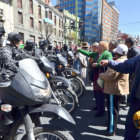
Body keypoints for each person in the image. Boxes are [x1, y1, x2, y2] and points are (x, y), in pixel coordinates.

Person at [100, 53, 140, 140]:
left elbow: (111, 76)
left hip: (116, 91)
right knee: (131, 129)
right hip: (137, 101)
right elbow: (125, 66)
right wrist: (109, 62)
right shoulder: (138, 58)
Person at [99, 44, 129, 136]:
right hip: (119, 89)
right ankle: (111, 125)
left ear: (117, 53)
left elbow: (110, 76)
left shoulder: (118, 62)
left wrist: (101, 75)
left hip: (114, 89)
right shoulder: (126, 60)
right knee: (115, 109)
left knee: (112, 110)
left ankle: (111, 130)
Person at [78, 41, 112, 117]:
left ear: (103, 47)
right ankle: (98, 106)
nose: (98, 47)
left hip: (101, 75)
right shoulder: (97, 53)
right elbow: (89, 54)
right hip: (96, 74)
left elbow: (110, 62)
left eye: (99, 45)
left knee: (100, 94)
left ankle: (101, 110)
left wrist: (98, 64)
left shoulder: (107, 53)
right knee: (96, 92)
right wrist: (79, 50)